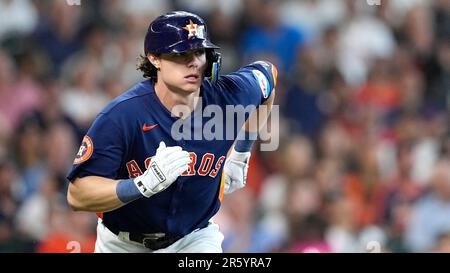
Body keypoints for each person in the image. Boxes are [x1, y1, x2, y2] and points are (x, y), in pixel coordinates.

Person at [66, 11, 277, 253]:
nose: (194, 62)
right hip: (123, 244)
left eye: (199, 52)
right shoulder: (123, 116)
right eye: (181, 54)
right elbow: (77, 195)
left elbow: (269, 74)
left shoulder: (228, 95)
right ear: (155, 59)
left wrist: (242, 152)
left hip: (194, 238)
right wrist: (141, 185)